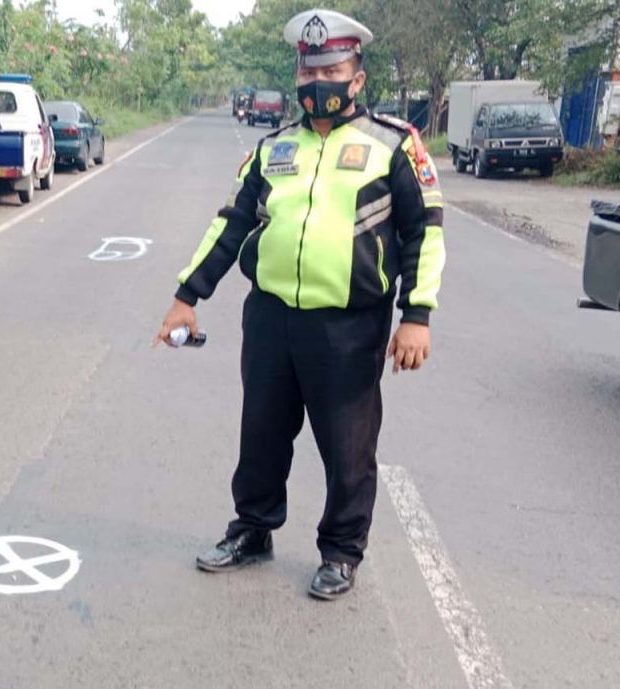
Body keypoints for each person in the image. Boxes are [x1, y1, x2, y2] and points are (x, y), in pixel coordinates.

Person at [157, 8, 446, 600]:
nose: (320, 82)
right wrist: (186, 296)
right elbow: (232, 224)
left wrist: (416, 315)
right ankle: (253, 528)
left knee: (347, 445)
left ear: (358, 78)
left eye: (334, 69)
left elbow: (426, 232)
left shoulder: (393, 145)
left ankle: (341, 551)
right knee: (261, 431)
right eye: (310, 70)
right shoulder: (274, 148)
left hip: (348, 325)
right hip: (269, 319)